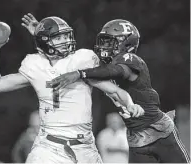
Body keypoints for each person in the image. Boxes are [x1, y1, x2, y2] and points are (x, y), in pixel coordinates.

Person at [0, 14, 144, 163]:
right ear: (45, 41)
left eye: (67, 36)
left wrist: (130, 104)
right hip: (48, 147)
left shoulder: (81, 60)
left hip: (84, 147)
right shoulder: (35, 65)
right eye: (59, 37)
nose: (66, 40)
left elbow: (114, 90)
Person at [49, 19, 190, 163]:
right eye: (103, 41)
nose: (104, 46)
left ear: (126, 43)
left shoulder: (131, 60)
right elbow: (109, 84)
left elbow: (115, 71)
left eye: (109, 42)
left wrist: (80, 73)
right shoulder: (100, 72)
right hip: (137, 141)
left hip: (161, 134)